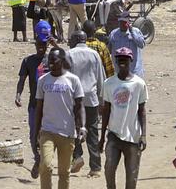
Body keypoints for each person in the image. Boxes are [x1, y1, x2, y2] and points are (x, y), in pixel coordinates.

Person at [34, 46, 86, 189]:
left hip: (67, 133)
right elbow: (39, 108)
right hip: (47, 131)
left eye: (54, 60)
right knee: (45, 166)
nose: (50, 63)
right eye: (49, 60)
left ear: (62, 61)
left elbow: (80, 106)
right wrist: (35, 133)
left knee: (64, 173)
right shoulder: (43, 80)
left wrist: (82, 127)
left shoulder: (73, 80)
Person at [99, 47, 148, 189]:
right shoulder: (108, 83)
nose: (122, 62)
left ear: (130, 61)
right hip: (114, 135)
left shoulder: (139, 84)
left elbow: (142, 111)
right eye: (119, 59)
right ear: (116, 61)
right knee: (109, 168)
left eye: (125, 59)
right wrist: (102, 137)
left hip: (133, 137)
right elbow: (106, 110)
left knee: (131, 177)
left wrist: (143, 135)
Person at [67, 31, 106, 177]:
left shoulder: (69, 54)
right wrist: (101, 99)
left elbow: (66, 77)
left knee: (74, 129)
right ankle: (95, 167)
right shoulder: (94, 54)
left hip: (75, 99)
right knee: (93, 132)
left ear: (76, 39)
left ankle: (77, 157)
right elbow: (100, 77)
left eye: (71, 38)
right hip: (92, 98)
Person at [15, 34, 50, 178]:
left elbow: (67, 61)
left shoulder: (52, 60)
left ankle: (43, 159)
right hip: (34, 105)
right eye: (39, 46)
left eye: (44, 46)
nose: (41, 49)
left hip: (50, 105)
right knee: (33, 134)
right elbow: (22, 80)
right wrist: (18, 95)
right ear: (35, 45)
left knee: (47, 134)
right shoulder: (28, 61)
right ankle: (38, 157)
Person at [108, 12, 146, 78]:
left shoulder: (136, 32)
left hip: (134, 71)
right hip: (119, 71)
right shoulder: (114, 34)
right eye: (120, 22)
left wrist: (132, 32)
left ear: (128, 22)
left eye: (124, 22)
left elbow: (141, 45)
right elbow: (109, 49)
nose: (122, 24)